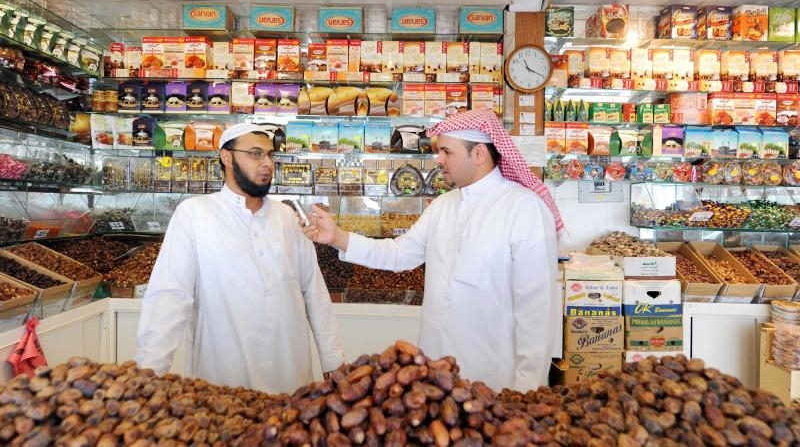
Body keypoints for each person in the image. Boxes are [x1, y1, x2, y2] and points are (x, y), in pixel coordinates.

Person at [305, 110, 564, 391]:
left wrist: (526, 390)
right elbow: (399, 253)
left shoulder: (524, 209)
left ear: (479, 154)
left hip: (495, 378)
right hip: (436, 375)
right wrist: (338, 237)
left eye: (446, 151)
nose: (438, 160)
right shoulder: (443, 206)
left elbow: (536, 310)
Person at [136, 123, 344, 393]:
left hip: (290, 378)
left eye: (270, 155)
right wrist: (148, 375)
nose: (267, 163)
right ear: (227, 157)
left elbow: (314, 292)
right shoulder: (195, 214)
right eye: (255, 154)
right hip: (222, 383)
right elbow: (169, 297)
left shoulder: (287, 216)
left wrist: (333, 359)